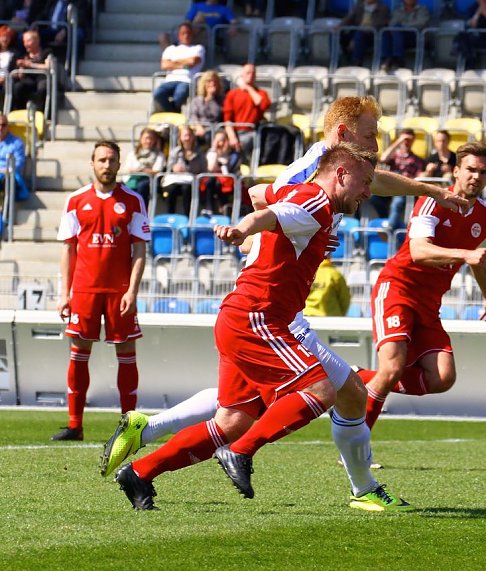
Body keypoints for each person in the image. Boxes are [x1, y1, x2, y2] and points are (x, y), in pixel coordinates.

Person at [101, 96, 465, 510]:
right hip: (269, 311)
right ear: (343, 135)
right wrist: (254, 234)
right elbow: (264, 198)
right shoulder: (313, 177)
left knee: (237, 416)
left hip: (267, 306)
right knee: (330, 391)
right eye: (370, 133)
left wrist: (429, 190)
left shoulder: (342, 174)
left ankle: (142, 465)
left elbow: (372, 182)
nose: (376, 142)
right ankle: (351, 486)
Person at [356, 141, 486, 429]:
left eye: (483, 172)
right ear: (456, 171)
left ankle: (358, 379)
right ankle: (355, 448)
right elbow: (419, 251)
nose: (476, 177)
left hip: (429, 304)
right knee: (392, 368)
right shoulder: (433, 200)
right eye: (471, 170)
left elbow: (480, 261)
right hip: (397, 289)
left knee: (442, 377)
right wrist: (465, 254)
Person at [52, 141, 150, 441]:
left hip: (120, 292)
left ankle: (129, 428)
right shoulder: (75, 200)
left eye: (112, 160)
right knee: (79, 354)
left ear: (120, 164)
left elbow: (139, 249)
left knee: (127, 354)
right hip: (84, 291)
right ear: (92, 163)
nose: (107, 165)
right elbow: (68, 250)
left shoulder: (133, 200)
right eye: (102, 160)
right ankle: (74, 425)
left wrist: (132, 290)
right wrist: (64, 293)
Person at [370, 127, 425, 230]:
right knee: (374, 199)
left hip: (404, 187)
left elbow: (419, 176)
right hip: (390, 185)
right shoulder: (394, 156)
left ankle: (390, 227)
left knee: (397, 202)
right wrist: (399, 141)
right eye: (405, 139)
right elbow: (383, 158)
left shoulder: (417, 160)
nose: (406, 142)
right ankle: (387, 220)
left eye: (409, 140)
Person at [153, 22, 205, 114]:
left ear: (192, 34)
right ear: (178, 35)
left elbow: (192, 62)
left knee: (180, 93)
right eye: (183, 33)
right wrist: (184, 65)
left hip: (187, 81)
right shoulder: (170, 49)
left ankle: (170, 115)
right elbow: (164, 65)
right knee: (157, 94)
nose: (186, 35)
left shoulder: (198, 48)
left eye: (188, 33)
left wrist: (173, 62)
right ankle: (175, 113)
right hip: (170, 80)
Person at [223, 63, 271, 161]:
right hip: (235, 132)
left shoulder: (261, 93)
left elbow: (262, 104)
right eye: (248, 73)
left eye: (253, 73)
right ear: (242, 75)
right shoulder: (232, 94)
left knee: (244, 143)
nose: (251, 75)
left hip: (252, 132)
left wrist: (249, 88)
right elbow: (227, 119)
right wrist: (232, 137)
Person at [162, 124, 207, 216]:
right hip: (176, 180)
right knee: (171, 189)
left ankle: (188, 216)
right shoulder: (175, 152)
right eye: (185, 135)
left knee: (186, 189)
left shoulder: (199, 153)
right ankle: (170, 216)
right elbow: (169, 167)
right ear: (180, 138)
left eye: (189, 135)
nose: (187, 138)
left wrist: (190, 170)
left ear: (193, 137)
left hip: (190, 182)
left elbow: (203, 169)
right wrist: (174, 168)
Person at [380, 0, 430, 73]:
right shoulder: (398, 11)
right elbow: (392, 24)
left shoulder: (422, 10)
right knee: (386, 32)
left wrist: (403, 26)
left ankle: (398, 59)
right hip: (399, 36)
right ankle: (386, 59)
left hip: (416, 37)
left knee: (397, 28)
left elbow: (421, 24)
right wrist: (400, 27)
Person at [201, 129, 241, 215]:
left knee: (218, 183)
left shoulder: (234, 155)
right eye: (218, 141)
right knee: (211, 181)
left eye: (223, 140)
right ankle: (209, 209)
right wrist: (214, 151)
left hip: (229, 182)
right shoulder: (211, 152)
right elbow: (211, 168)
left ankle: (224, 207)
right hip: (214, 182)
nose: (221, 144)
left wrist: (224, 155)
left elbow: (228, 172)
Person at [339, 0, 390, 67]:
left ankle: (356, 62)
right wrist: (339, 26)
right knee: (337, 33)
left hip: (373, 34)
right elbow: (349, 18)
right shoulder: (359, 5)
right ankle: (339, 61)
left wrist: (354, 39)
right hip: (358, 31)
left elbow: (378, 25)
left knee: (359, 35)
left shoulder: (383, 8)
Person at [124, 127, 165, 209]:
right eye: (146, 138)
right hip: (133, 178)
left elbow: (156, 171)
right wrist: (143, 170)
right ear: (141, 139)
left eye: (151, 139)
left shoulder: (159, 154)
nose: (148, 141)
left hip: (150, 180)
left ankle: (142, 210)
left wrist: (142, 170)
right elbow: (128, 168)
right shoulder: (133, 153)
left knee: (142, 186)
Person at [11, 30, 51, 113]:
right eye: (24, 42)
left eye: (28, 41)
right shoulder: (23, 55)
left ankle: (42, 114)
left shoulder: (46, 52)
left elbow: (48, 67)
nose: (26, 44)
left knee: (43, 88)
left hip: (42, 78)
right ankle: (19, 113)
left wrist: (30, 64)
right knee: (18, 87)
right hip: (28, 80)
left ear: (37, 40)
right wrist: (21, 69)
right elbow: (19, 75)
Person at [189, 70, 225, 144]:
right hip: (199, 128)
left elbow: (217, 114)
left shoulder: (222, 100)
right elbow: (193, 115)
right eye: (209, 81)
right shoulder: (197, 100)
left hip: (214, 129)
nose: (212, 84)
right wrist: (198, 127)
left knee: (210, 136)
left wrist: (211, 97)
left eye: (215, 82)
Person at [0, 112, 29, 202]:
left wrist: (3, 170)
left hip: (8, 176)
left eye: (3, 125)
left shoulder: (17, 142)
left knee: (8, 181)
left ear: (7, 126)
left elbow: (18, 164)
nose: (0, 128)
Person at [0, 25, 18, 109]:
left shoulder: (14, 53)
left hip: (7, 79)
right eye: (3, 36)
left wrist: (5, 78)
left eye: (8, 37)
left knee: (8, 87)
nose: (5, 39)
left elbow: (15, 70)